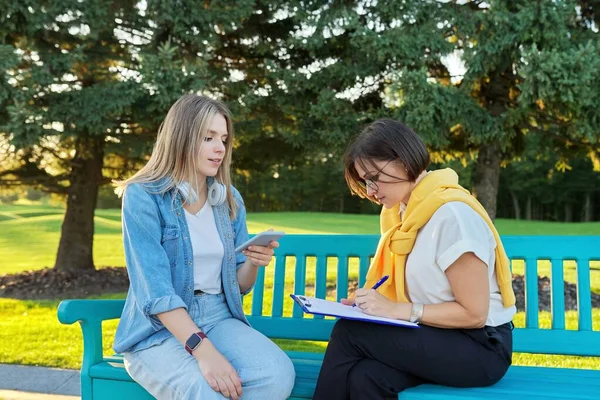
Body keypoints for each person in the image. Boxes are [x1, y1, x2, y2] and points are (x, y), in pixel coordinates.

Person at [313, 119, 516, 400]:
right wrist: (370, 306)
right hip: (432, 337)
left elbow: (475, 313)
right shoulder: (401, 216)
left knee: (350, 332)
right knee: (366, 377)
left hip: (480, 348)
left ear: (404, 161)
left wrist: (397, 310)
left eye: (374, 177)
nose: (370, 190)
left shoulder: (452, 215)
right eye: (365, 181)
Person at [112, 94, 295, 400]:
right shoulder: (142, 196)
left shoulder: (229, 199)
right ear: (181, 138)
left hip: (219, 316)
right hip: (157, 330)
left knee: (276, 376)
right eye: (208, 138)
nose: (219, 148)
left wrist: (252, 262)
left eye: (223, 139)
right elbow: (155, 292)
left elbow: (239, 286)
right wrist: (203, 349)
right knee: (205, 391)